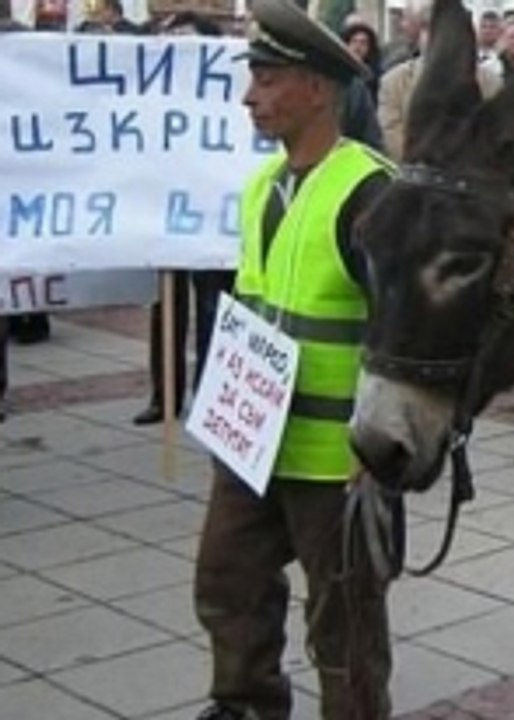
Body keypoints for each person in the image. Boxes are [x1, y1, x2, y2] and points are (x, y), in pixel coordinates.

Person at [193, 0, 395, 716]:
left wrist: (378, 453)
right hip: (253, 448)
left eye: (268, 78)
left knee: (344, 628)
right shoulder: (261, 187)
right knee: (226, 584)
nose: (250, 95)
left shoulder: (370, 191)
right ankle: (245, 704)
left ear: (317, 88)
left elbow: (405, 335)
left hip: (337, 463)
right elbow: (255, 311)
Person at [133, 10, 238, 426]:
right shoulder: (153, 93)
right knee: (165, 309)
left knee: (215, 308)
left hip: (212, 218)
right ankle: (164, 394)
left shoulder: (226, 92)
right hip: (166, 214)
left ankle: (211, 393)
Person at [377, 10, 503, 161]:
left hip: (469, 174)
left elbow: (493, 134)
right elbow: (391, 132)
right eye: (432, 31)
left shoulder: (491, 82)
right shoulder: (393, 82)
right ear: (421, 36)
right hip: (412, 173)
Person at [341, 22, 383, 101]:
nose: (358, 46)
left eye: (363, 43)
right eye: (354, 41)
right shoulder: (339, 70)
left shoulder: (377, 75)